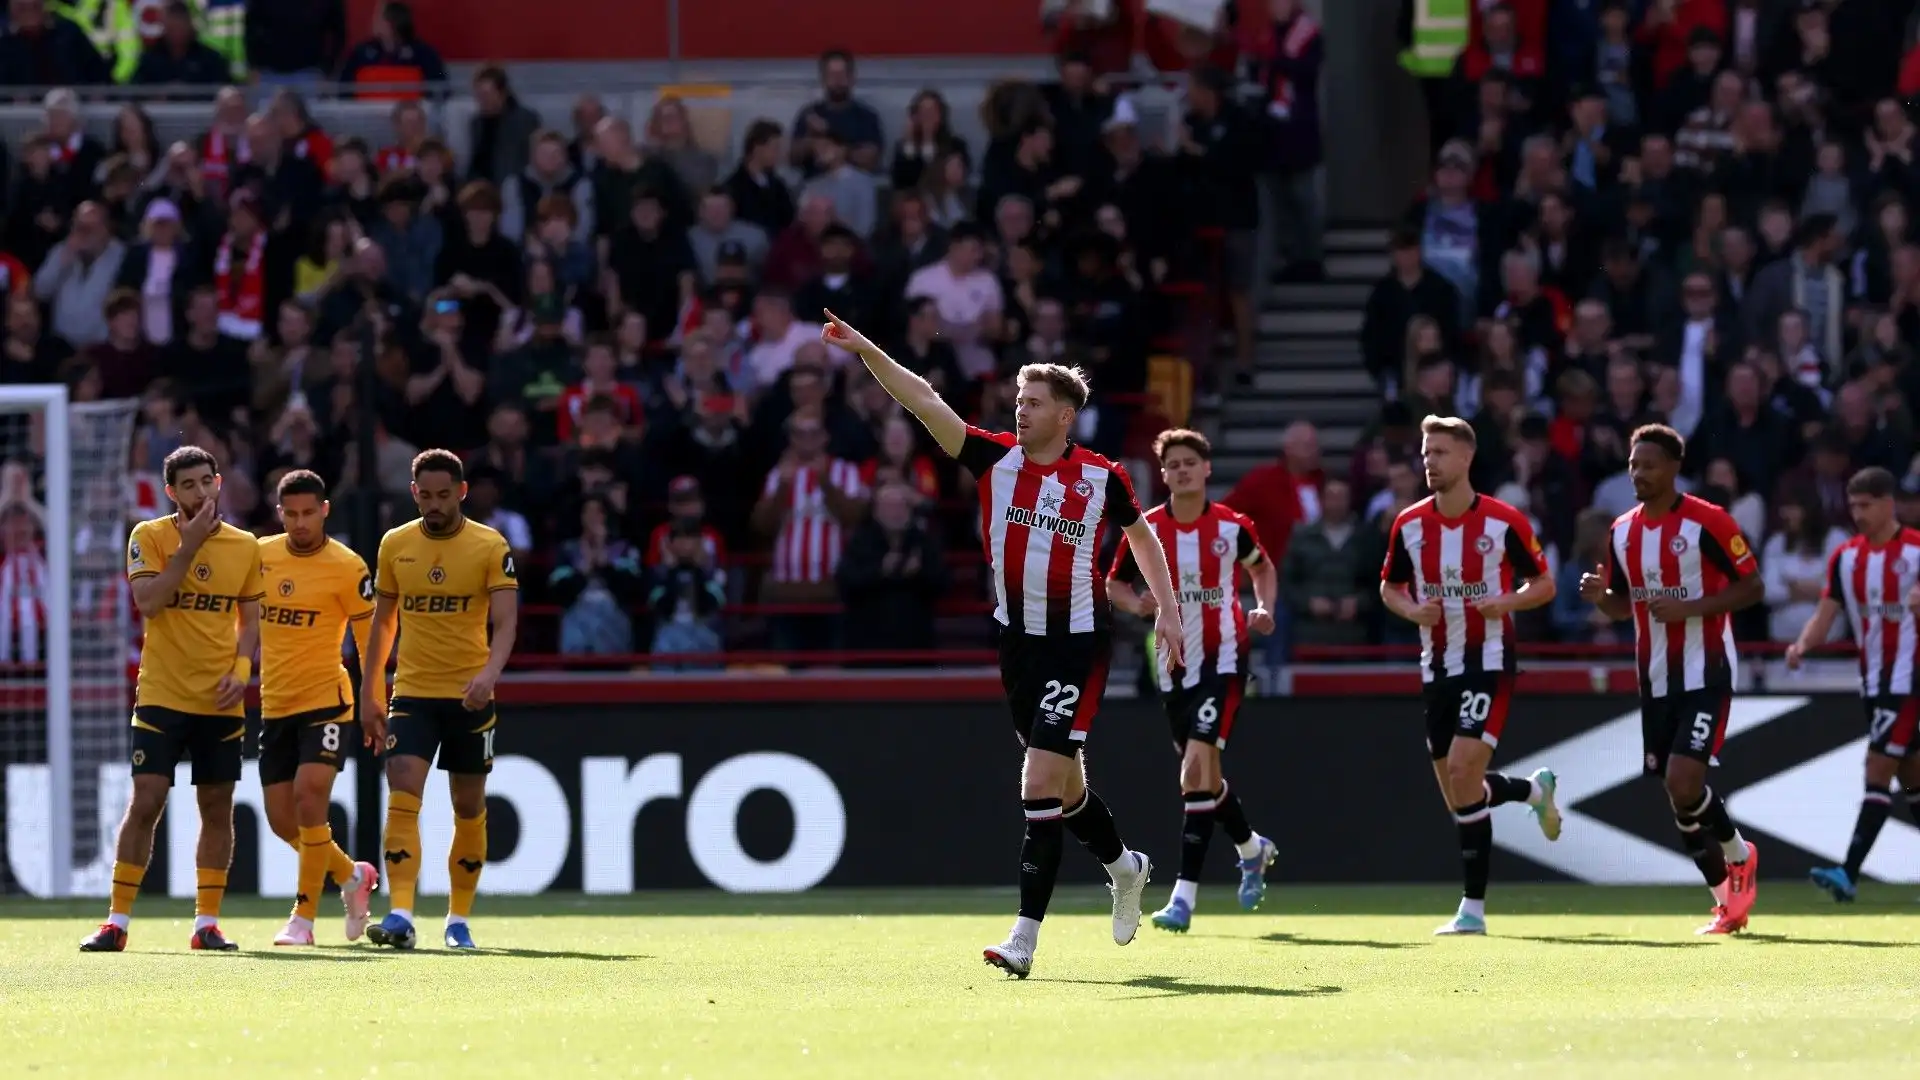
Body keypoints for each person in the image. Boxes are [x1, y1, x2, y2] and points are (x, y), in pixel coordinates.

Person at [820, 309, 1182, 980]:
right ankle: (1125, 868)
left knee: (1038, 780)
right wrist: (863, 344)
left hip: (1075, 644)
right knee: (1067, 792)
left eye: (1034, 402)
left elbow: (1140, 536)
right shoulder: (994, 459)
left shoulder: (1103, 478)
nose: (1020, 410)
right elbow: (923, 397)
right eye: (1018, 400)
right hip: (1017, 644)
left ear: (1065, 416)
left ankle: (1023, 939)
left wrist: (1168, 610)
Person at [1379, 416, 1563, 936]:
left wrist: (1507, 601)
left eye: (1439, 452)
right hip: (1436, 666)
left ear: (1465, 458)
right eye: (1425, 451)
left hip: (1489, 660)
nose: (1429, 461)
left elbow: (1544, 584)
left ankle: (1473, 910)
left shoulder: (1503, 522)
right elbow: (1389, 587)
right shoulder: (1409, 524)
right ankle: (1532, 792)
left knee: (1463, 772)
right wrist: (1413, 611)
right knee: (1460, 791)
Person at [1580, 424, 1764, 936]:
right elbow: (1623, 606)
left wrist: (1693, 607)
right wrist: (1601, 597)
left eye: (1649, 465)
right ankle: (1726, 903)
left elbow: (1753, 586)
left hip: (1706, 670)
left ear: (1674, 468)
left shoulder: (1708, 521)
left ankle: (1739, 854)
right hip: (1655, 678)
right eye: (1633, 464)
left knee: (1686, 780)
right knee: (1676, 793)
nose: (1638, 473)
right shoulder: (1620, 531)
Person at [81, 447, 263, 952]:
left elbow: (249, 622)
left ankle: (206, 924)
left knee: (216, 807)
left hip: (220, 699)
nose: (201, 492)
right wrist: (188, 547)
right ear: (171, 492)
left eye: (207, 481)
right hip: (162, 694)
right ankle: (116, 922)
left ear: (219, 481)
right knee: (146, 801)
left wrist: (242, 669)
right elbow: (150, 602)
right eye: (189, 485)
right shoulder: (150, 537)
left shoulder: (246, 546)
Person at [1107, 429, 1279, 933]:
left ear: (1206, 469)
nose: (1181, 470)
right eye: (1172, 464)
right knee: (1206, 777)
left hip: (1225, 661)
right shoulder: (1148, 528)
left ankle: (1183, 897)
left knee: (1195, 769)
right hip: (1174, 666)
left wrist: (1264, 605)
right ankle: (1252, 848)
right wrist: (1134, 601)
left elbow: (1262, 568)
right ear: (1163, 475)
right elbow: (1114, 581)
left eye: (1190, 462)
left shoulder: (1232, 526)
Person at [358, 450, 519, 950]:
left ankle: (458, 919)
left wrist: (489, 674)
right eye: (425, 495)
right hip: (413, 693)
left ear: (462, 492)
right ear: (413, 494)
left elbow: (506, 620)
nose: (434, 504)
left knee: (467, 807)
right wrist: (370, 691)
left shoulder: (489, 545)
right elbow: (383, 623)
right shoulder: (395, 545)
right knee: (403, 791)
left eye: (444, 495)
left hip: (470, 696)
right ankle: (402, 913)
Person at [254, 469, 380, 947]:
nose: (300, 522)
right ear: (279, 512)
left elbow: (370, 642)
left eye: (309, 513)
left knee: (310, 801)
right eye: (291, 513)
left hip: (327, 700)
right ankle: (352, 876)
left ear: (325, 510)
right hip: (275, 704)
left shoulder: (347, 567)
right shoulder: (260, 557)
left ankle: (302, 921)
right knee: (283, 820)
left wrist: (374, 700)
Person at [1786, 468, 1920, 902]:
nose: (1858, 513)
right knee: (1913, 778)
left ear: (1889, 503)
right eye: (1853, 506)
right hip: (1874, 681)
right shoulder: (1846, 557)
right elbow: (1827, 614)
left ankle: (1848, 873)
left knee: (1877, 769)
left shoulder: (1917, 551)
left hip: (1909, 680)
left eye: (1866, 505)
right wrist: (1803, 644)